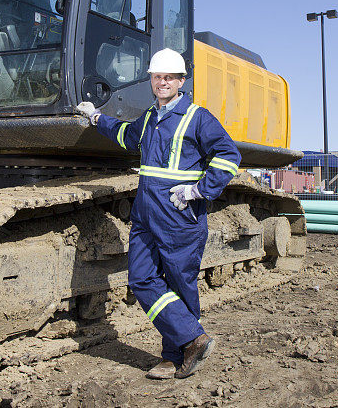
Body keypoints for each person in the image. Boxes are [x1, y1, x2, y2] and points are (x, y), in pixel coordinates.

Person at [76, 48, 241, 379]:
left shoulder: (197, 118)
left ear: (181, 81)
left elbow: (228, 155)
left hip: (180, 217)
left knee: (180, 285)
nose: (162, 82)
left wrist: (198, 190)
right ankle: (192, 339)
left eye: (169, 77)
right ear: (151, 79)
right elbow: (125, 135)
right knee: (141, 279)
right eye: (156, 77)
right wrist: (96, 118)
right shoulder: (150, 118)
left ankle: (173, 356)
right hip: (146, 215)